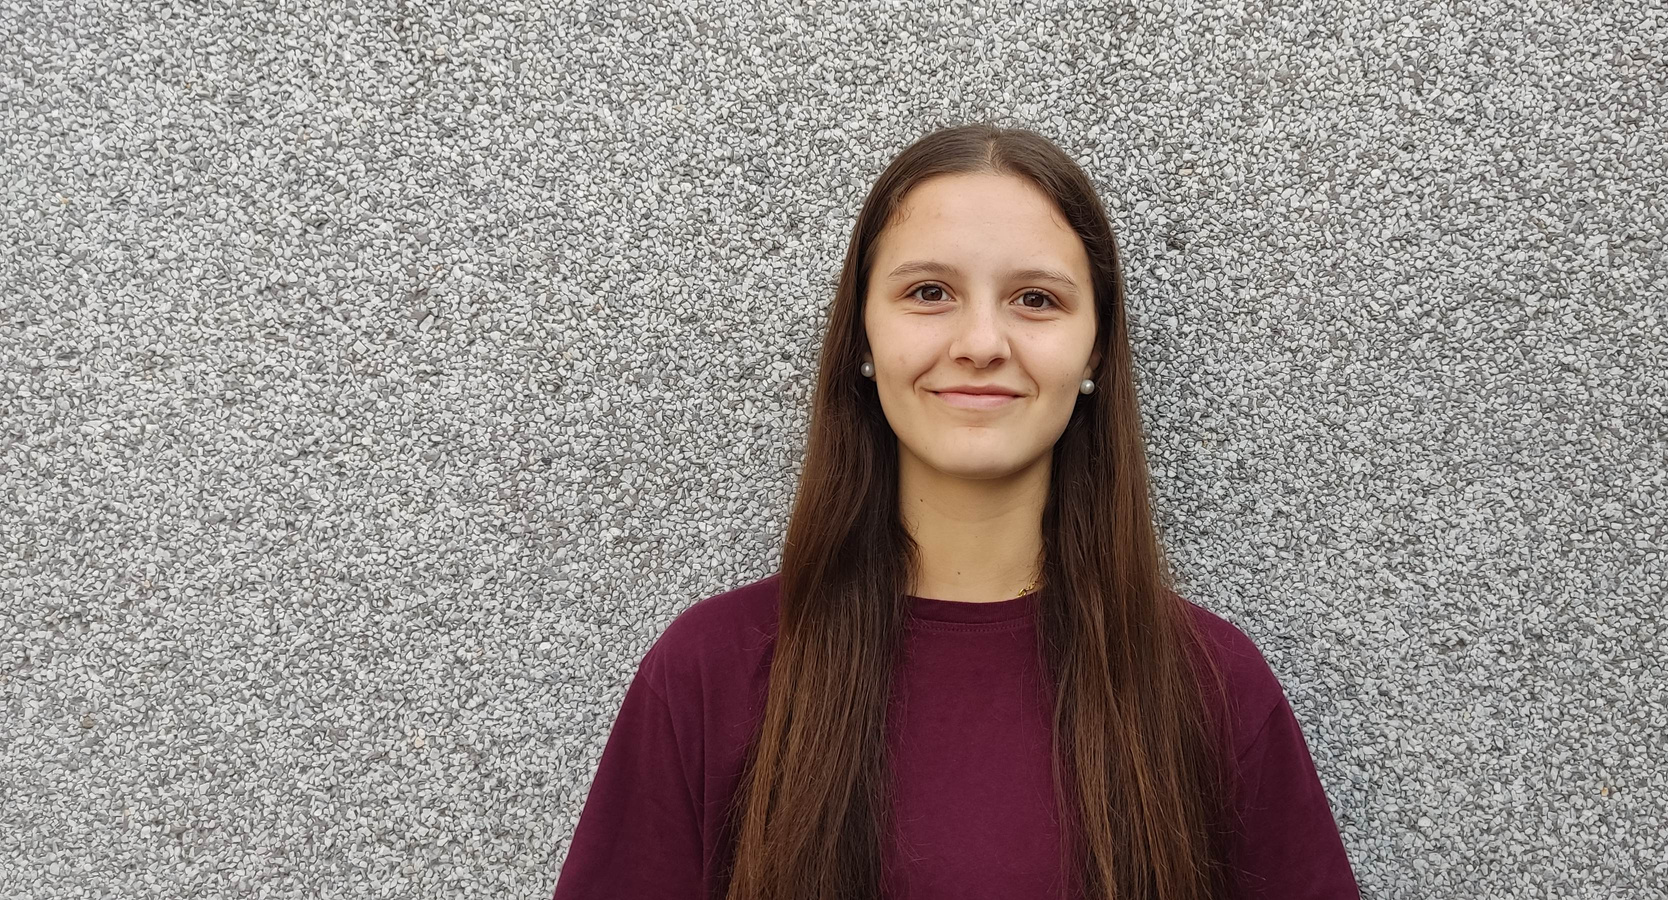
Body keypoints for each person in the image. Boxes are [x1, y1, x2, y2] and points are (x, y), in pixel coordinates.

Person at [552, 122, 1360, 900]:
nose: (981, 342)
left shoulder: (1210, 683)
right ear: (862, 336)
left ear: (1096, 348)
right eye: (929, 292)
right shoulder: (710, 672)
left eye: (1035, 299)